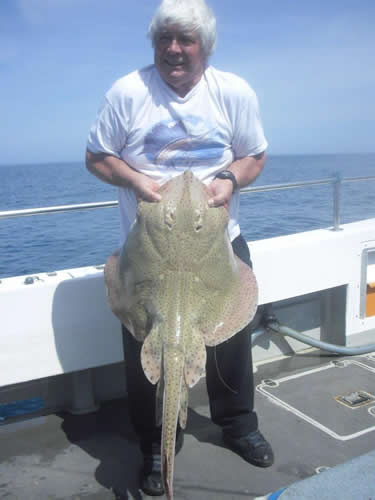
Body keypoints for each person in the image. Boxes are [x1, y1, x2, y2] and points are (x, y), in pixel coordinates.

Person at [86, 0, 274, 495]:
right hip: (148, 250)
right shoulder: (128, 92)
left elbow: (255, 155)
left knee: (231, 344)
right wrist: (134, 180)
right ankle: (154, 445)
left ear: (204, 47)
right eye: (164, 38)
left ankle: (239, 424)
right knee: (147, 347)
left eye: (185, 40)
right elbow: (97, 157)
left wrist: (231, 180)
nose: (173, 49)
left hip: (217, 244)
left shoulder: (233, 92)